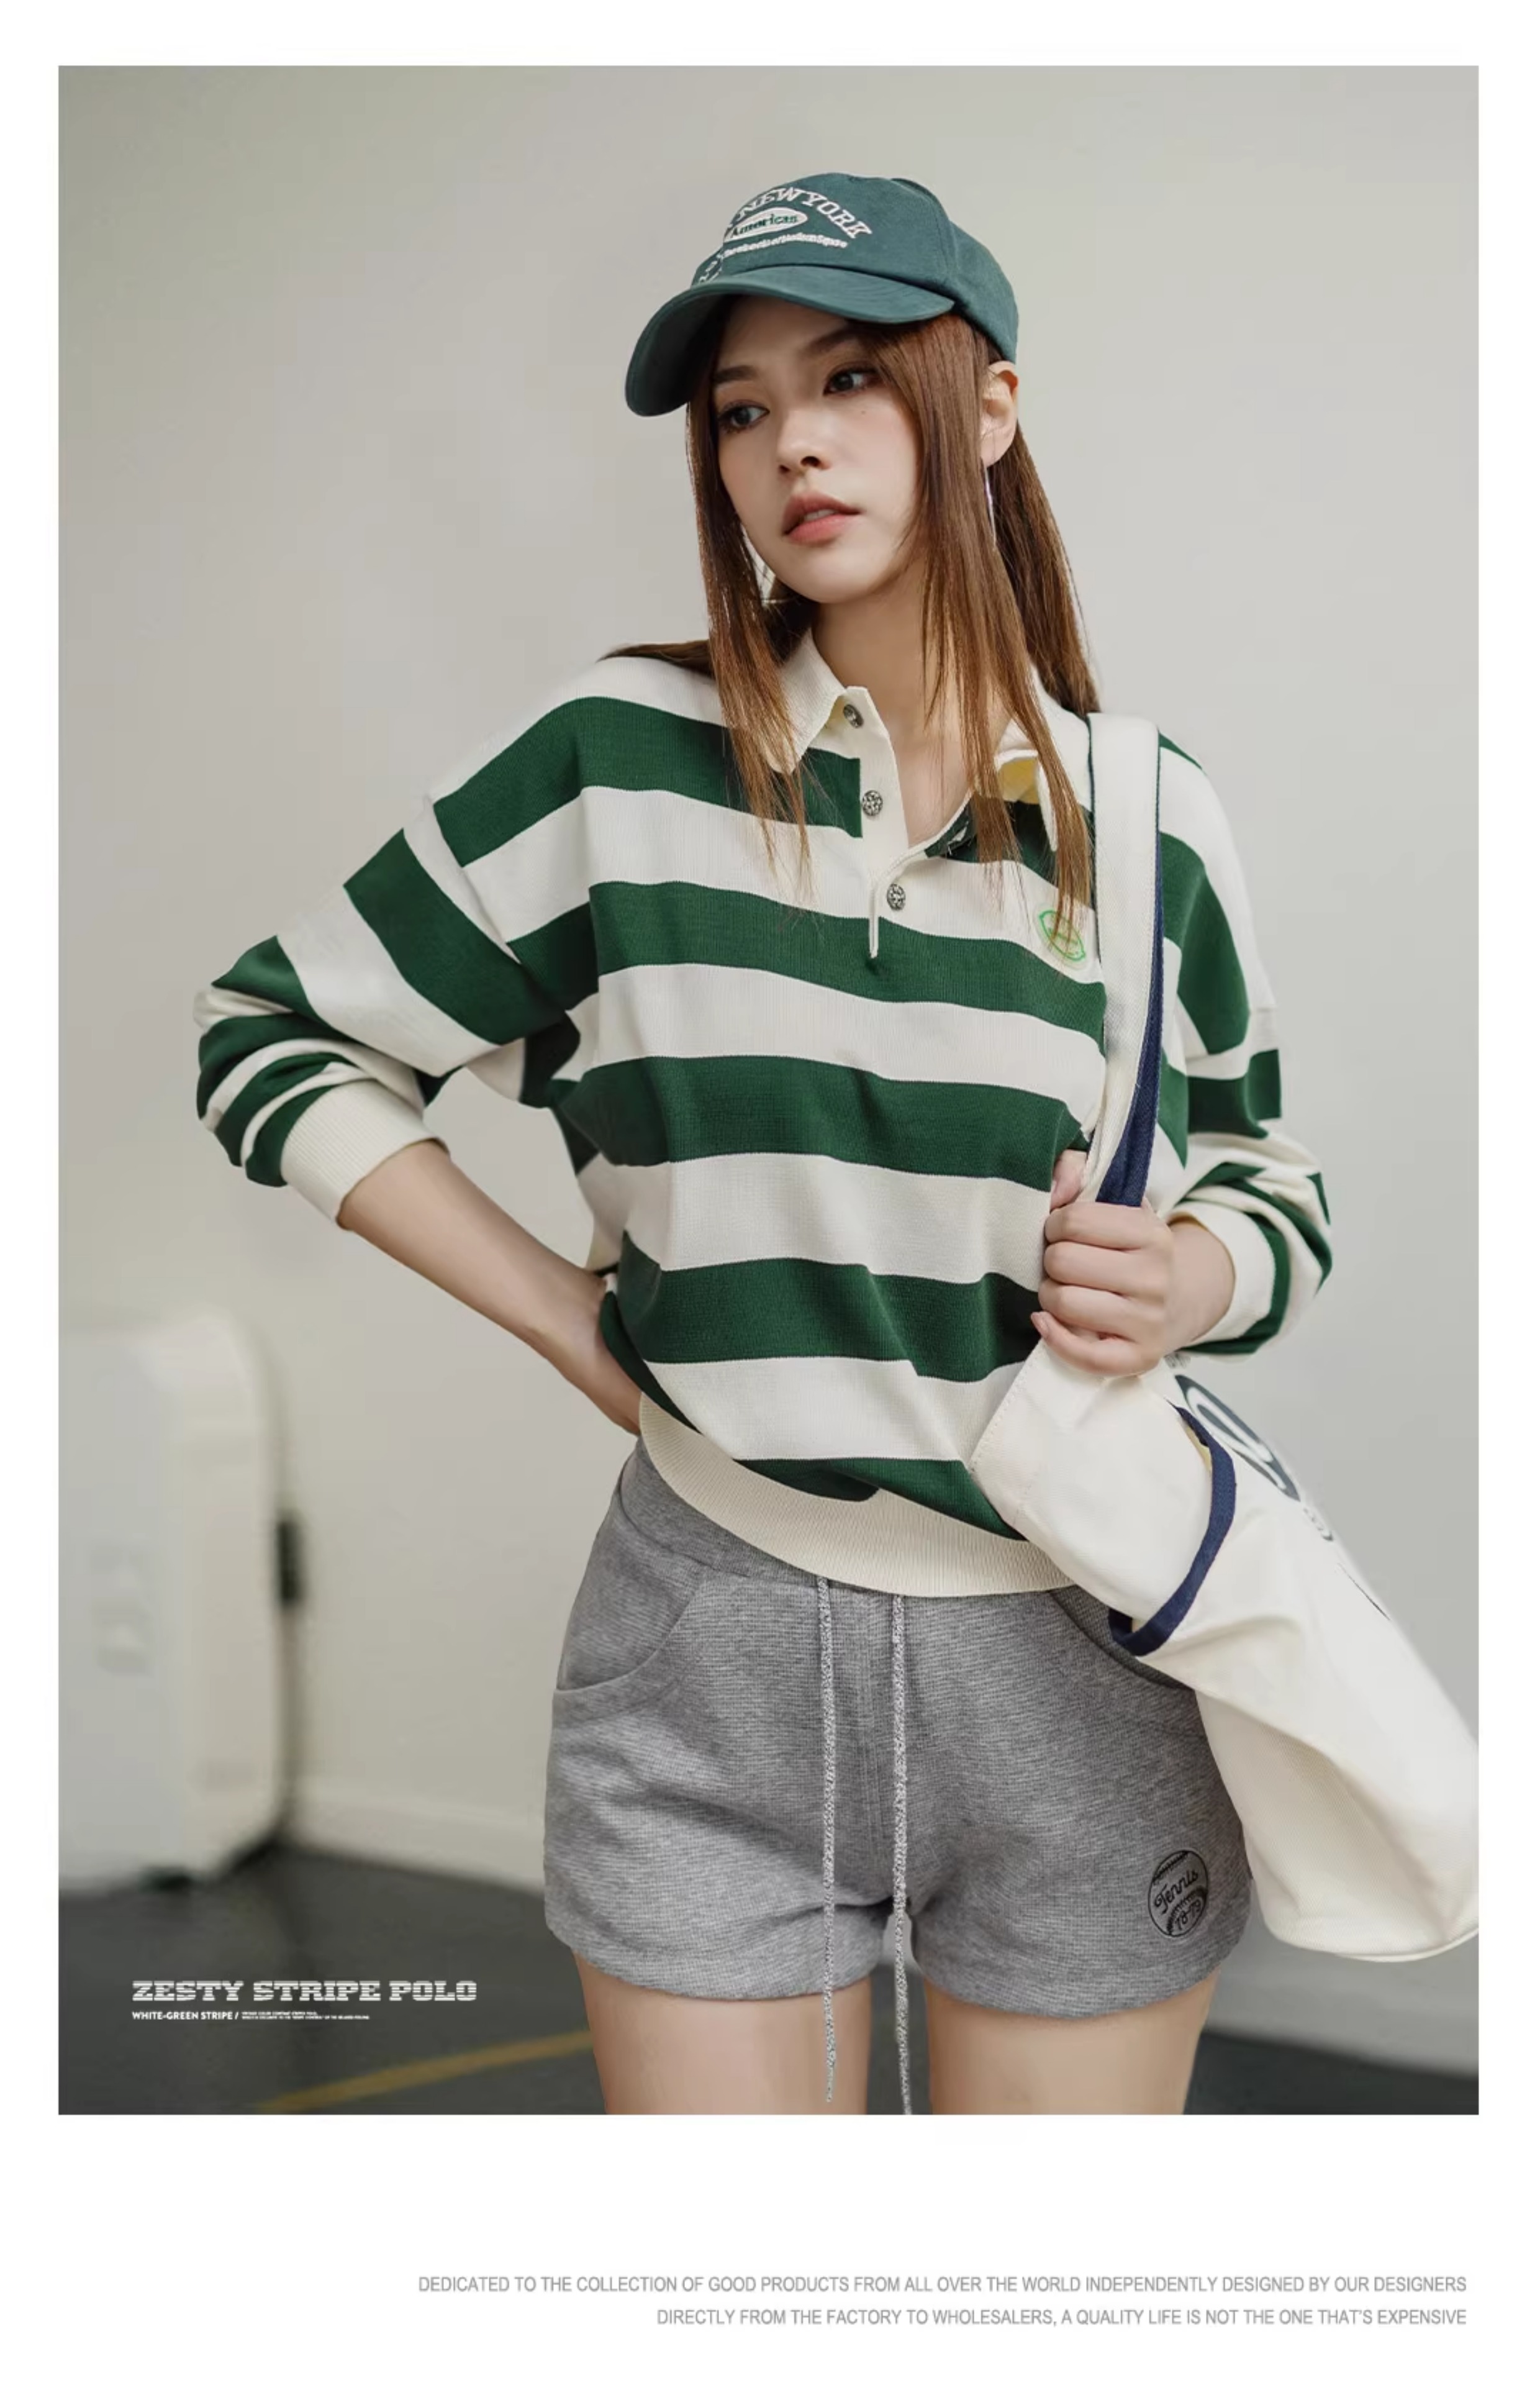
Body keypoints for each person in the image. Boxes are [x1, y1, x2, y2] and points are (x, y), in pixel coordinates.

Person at [192, 171, 1332, 2117]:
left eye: (853, 378)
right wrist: (568, 1322)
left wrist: (1194, 1271)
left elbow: (1268, 1179)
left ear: (988, 408)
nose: (792, 439)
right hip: (707, 1650)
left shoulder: (1147, 816)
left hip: (1079, 1659)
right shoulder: (614, 763)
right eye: (743, 407)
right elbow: (273, 1033)